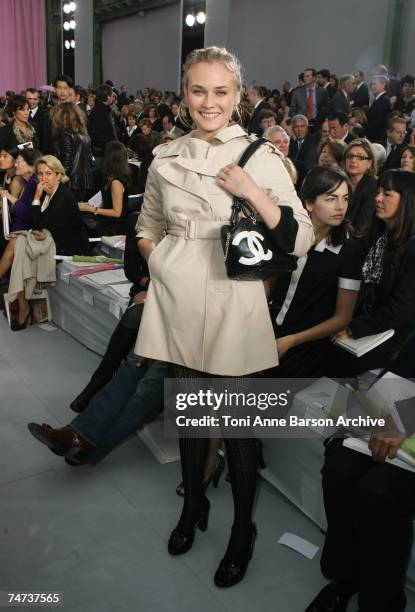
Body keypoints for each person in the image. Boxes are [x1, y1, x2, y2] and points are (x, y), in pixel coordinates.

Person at [135, 46, 313, 588]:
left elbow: (301, 237)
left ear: (237, 95)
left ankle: (243, 532)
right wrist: (160, 262)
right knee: (191, 420)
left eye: (220, 91)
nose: (208, 102)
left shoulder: (260, 155)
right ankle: (193, 509)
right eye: (197, 90)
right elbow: (147, 223)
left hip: (234, 297)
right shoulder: (165, 154)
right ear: (183, 93)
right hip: (179, 296)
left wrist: (252, 190)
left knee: (235, 433)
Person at [267, 165, 362, 378]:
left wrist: (292, 340)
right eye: (331, 199)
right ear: (309, 203)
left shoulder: (349, 250)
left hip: (307, 347)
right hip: (268, 331)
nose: (340, 207)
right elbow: (270, 287)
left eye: (345, 198)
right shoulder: (289, 234)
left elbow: (342, 318)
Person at [329, 169, 415, 376]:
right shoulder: (378, 237)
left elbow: (400, 310)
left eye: (387, 194)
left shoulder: (411, 248)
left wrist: (353, 329)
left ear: (408, 200)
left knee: (333, 357)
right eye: (378, 192)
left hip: (393, 335)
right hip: (366, 320)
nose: (377, 198)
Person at [0, 148, 43, 278]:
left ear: (31, 165)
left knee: (13, 242)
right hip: (19, 229)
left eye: (19, 161)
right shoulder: (29, 182)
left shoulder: (34, 183)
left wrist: (8, 197)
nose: (16, 164)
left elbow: (27, 214)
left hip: (25, 230)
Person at [78, 141, 131, 236]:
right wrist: (87, 205)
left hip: (113, 227)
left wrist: (91, 209)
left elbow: (116, 213)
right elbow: (108, 203)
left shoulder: (116, 182)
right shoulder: (111, 178)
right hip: (108, 222)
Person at [50, 102, 94, 201]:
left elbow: (66, 164)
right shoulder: (84, 134)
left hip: (71, 183)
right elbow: (90, 160)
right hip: (85, 182)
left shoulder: (66, 133)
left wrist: (56, 181)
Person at [343, 138, 377, 232]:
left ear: (369, 163)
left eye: (360, 157)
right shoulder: (339, 182)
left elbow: (363, 226)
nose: (353, 160)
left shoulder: (373, 187)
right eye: (350, 156)